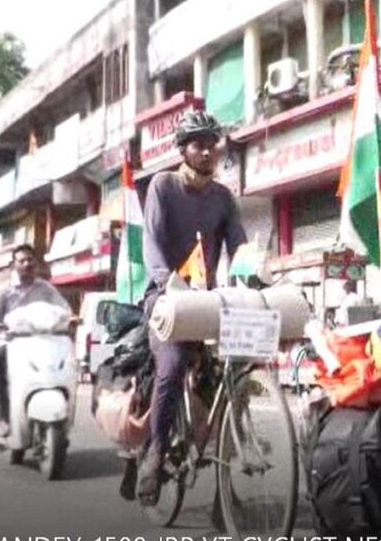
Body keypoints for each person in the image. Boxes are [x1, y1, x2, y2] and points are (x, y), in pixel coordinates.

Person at [136, 110, 247, 506]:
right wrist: (167, 281)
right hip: (164, 297)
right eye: (197, 144)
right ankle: (155, 451)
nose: (206, 151)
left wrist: (256, 274)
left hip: (207, 300)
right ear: (182, 149)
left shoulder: (223, 197)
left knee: (240, 372)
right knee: (172, 364)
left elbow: (240, 248)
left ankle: (225, 490)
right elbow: (151, 244)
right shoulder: (162, 186)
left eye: (211, 144)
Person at [0, 245, 70, 439]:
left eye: (30, 260)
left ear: (36, 263)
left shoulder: (46, 288)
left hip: (43, 342)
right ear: (14, 265)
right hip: (11, 343)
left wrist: (71, 318)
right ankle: (4, 418)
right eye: (22, 261)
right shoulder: (4, 290)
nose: (27, 264)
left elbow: (64, 308)